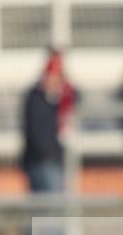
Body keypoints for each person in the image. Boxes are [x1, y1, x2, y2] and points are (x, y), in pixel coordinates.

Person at [21, 49, 77, 193]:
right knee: (44, 208)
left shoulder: (61, 98)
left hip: (52, 159)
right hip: (39, 160)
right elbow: (34, 130)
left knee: (51, 209)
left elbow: (76, 97)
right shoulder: (36, 97)